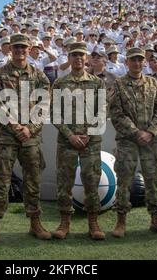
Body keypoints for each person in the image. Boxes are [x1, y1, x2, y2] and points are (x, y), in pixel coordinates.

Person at [0, 33, 51, 243]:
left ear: (29, 48)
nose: (20, 51)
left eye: (24, 47)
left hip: (31, 137)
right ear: (10, 49)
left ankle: (35, 223)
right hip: (6, 135)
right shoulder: (0, 74)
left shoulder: (39, 76)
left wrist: (30, 129)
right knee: (1, 182)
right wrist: (15, 126)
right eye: (16, 47)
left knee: (33, 181)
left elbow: (45, 106)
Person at [109, 47, 157, 238]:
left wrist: (151, 132)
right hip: (128, 141)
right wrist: (137, 132)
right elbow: (117, 114)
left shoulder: (153, 83)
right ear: (127, 62)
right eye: (133, 60)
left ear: (143, 62)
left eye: (139, 60)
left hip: (150, 141)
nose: (137, 63)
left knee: (152, 179)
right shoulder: (119, 84)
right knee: (124, 180)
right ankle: (121, 220)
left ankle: (156, 219)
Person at [51, 41, 106, 240]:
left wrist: (89, 134)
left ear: (87, 58)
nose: (78, 58)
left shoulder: (97, 82)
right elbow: (54, 113)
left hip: (91, 141)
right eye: (74, 54)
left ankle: (93, 222)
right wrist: (70, 135)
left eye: (81, 55)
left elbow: (102, 111)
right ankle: (64, 222)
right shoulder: (60, 83)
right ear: (69, 58)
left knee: (92, 180)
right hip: (67, 141)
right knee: (64, 182)